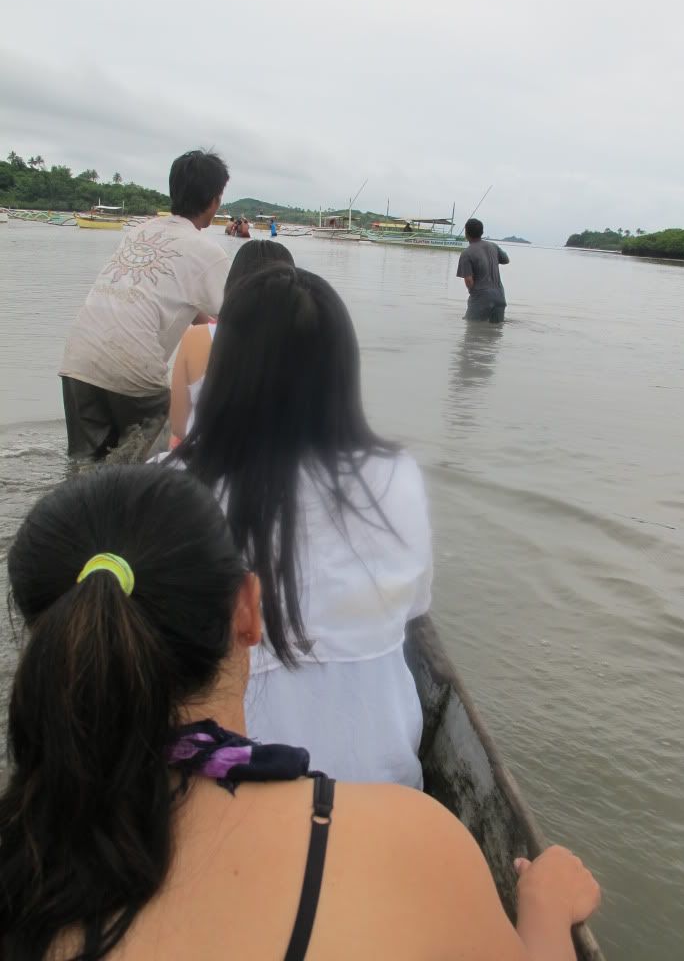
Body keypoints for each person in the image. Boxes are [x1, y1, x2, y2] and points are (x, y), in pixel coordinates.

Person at [2, 464, 600, 961]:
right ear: (248, 612)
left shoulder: (22, 856)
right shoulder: (412, 845)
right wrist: (544, 913)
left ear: (50, 640)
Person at [172, 265, 430, 786]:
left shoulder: (173, 487)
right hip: (385, 781)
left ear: (227, 371)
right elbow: (415, 606)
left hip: (244, 788)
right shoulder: (396, 474)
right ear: (341, 375)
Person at [59, 150, 230, 459]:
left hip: (78, 362)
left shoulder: (139, 230)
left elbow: (181, 306)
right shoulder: (208, 252)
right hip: (133, 372)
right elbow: (237, 319)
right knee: (150, 467)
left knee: (87, 470)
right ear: (215, 200)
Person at [169, 240, 295, 443]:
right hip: (277, 465)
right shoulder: (307, 341)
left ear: (232, 284)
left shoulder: (197, 338)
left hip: (207, 462)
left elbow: (179, 427)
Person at [456, 217, 510, 323]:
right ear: (482, 232)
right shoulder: (493, 246)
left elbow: (469, 281)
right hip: (500, 297)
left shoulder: (466, 253)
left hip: (481, 298)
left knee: (472, 331)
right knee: (494, 333)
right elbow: (506, 260)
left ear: (466, 233)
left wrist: (474, 295)